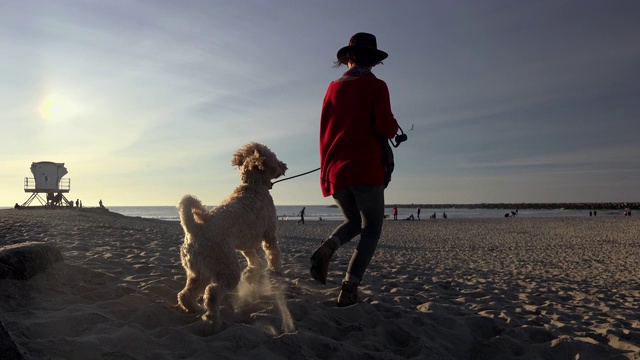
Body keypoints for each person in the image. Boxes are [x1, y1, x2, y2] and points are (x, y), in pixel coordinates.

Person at [311, 32, 399, 307]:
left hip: (336, 170)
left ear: (348, 59)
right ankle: (349, 288)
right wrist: (395, 126)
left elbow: (324, 131)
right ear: (372, 61)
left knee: (352, 222)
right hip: (365, 169)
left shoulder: (332, 88)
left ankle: (328, 248)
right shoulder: (377, 86)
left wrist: (326, 170)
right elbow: (384, 126)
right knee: (371, 228)